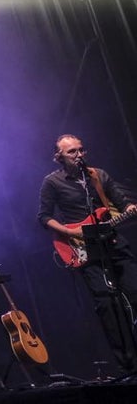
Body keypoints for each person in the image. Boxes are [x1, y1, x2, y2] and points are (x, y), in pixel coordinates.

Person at [38, 133, 137, 372]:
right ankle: (129, 367)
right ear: (58, 157)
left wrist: (130, 208)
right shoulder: (52, 182)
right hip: (85, 250)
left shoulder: (98, 175)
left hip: (113, 243)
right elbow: (44, 217)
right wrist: (71, 233)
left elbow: (123, 204)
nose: (79, 154)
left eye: (81, 150)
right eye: (72, 151)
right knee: (107, 305)